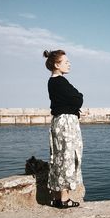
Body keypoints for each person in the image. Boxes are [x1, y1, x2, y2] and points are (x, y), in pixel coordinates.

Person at [43, 49, 83, 208]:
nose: (69, 64)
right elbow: (77, 98)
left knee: (59, 158)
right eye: (66, 62)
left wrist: (75, 104)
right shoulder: (60, 81)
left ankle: (58, 197)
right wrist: (78, 100)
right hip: (66, 123)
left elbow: (71, 101)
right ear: (56, 64)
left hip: (60, 121)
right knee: (67, 158)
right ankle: (64, 199)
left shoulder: (53, 82)